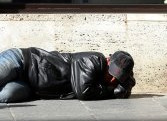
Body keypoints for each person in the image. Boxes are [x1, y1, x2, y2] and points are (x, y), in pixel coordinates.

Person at [0, 47, 135, 103]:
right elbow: (83, 92)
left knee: (7, 95)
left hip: (30, 85)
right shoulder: (94, 59)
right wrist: (112, 91)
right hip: (23, 60)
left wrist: (124, 86)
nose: (112, 78)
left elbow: (124, 90)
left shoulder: (102, 83)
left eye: (117, 77)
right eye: (112, 73)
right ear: (108, 60)